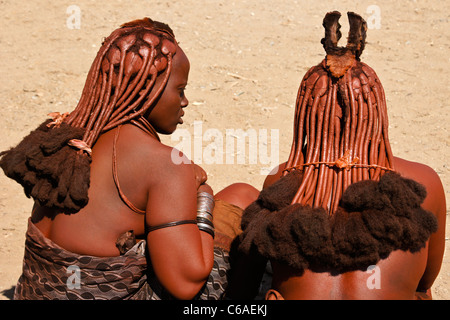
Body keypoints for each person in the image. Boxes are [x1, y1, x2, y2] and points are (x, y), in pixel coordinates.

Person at [0, 18, 258, 300]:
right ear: (150, 90)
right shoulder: (165, 164)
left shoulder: (70, 138)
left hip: (36, 293)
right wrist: (203, 197)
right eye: (180, 90)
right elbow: (185, 284)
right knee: (244, 198)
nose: (184, 102)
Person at [227, 11, 446, 300]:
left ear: (307, 111)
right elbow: (425, 280)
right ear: (375, 108)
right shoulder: (423, 183)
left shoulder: (282, 180)